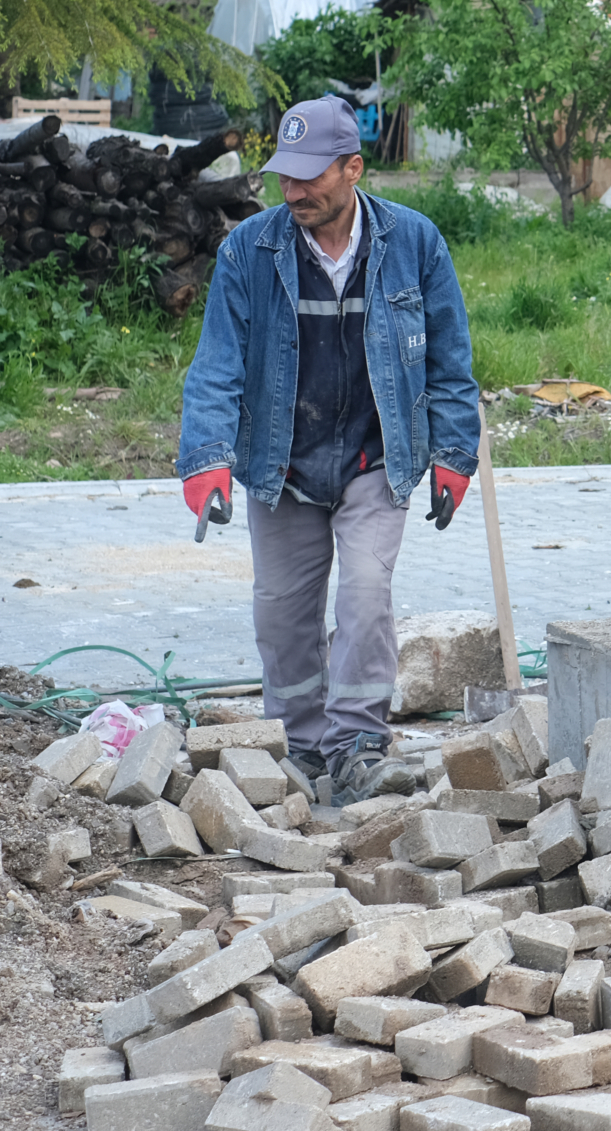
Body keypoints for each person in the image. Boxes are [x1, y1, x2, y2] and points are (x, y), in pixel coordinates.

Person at [177, 98, 481, 802]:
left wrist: (454, 457)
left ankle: (357, 746)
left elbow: (450, 362)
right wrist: (206, 460)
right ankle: (301, 746)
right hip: (281, 464)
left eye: (311, 176)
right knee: (281, 613)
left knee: (367, 596)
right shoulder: (248, 250)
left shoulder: (415, 242)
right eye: (285, 176)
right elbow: (217, 364)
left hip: (376, 459)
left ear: (353, 168)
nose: (294, 191)